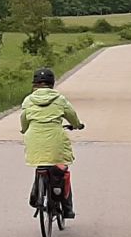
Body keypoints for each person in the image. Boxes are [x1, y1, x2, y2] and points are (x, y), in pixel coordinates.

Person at [21, 67, 84, 218]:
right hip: (56, 138)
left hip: (34, 138)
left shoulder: (29, 100)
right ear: (52, 83)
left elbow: (24, 119)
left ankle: (36, 194)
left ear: (35, 83)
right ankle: (67, 208)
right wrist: (77, 125)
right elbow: (71, 115)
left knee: (40, 163)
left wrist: (24, 130)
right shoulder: (60, 99)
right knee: (61, 170)